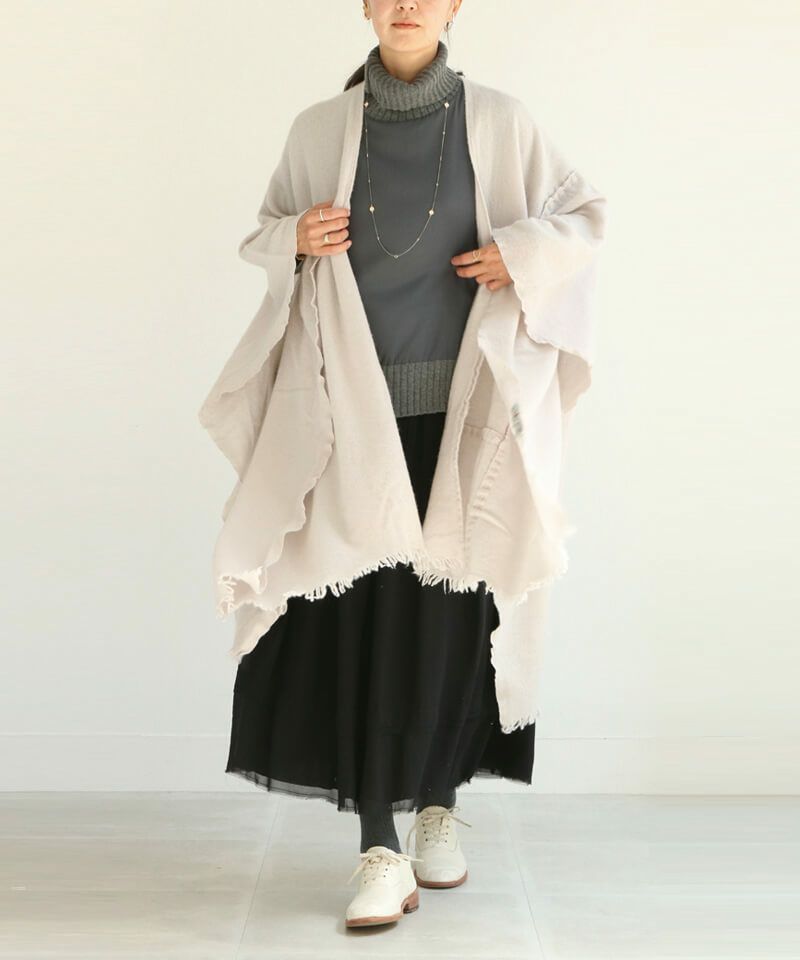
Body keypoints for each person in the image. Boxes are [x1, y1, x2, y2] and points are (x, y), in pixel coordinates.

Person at [223, 0, 562, 929]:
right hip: (349, 413)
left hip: (465, 417)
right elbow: (263, 233)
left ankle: (438, 809)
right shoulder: (319, 129)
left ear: (454, 6)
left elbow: (581, 220)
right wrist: (292, 240)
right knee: (364, 617)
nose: (407, 4)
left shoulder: (501, 121)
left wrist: (518, 254)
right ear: (367, 6)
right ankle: (379, 844)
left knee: (455, 616)